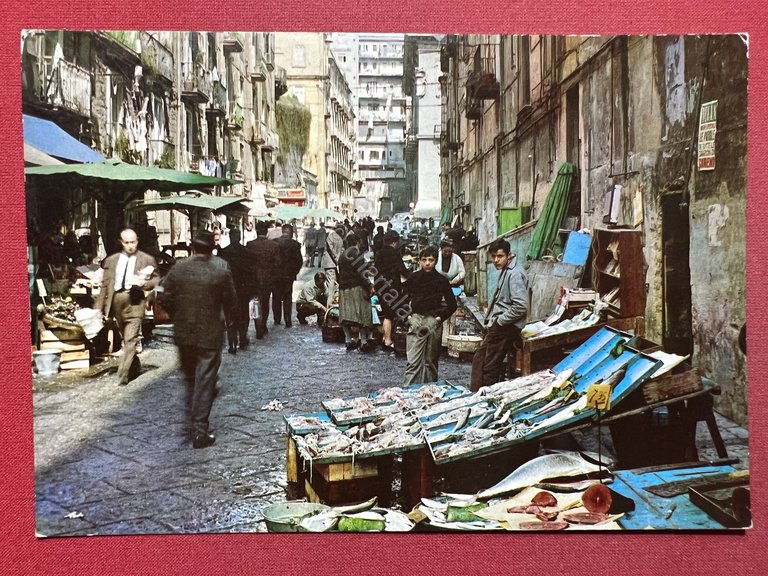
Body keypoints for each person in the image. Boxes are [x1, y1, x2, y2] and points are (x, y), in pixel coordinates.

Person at [158, 230, 236, 449]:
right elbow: (231, 301)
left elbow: (163, 296)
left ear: (193, 247)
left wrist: (177, 314)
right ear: (213, 249)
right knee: (205, 381)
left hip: (184, 334)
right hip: (210, 335)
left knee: (191, 379)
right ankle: (199, 430)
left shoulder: (179, 268)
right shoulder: (220, 271)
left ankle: (190, 422)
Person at [94, 228, 159, 386]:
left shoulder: (147, 259)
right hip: (117, 301)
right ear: (121, 242)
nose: (130, 245)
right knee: (125, 337)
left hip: (135, 300)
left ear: (137, 241)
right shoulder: (111, 260)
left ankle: (122, 374)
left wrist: (146, 283)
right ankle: (134, 365)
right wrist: (98, 307)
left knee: (130, 339)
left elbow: (157, 279)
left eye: (133, 242)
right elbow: (105, 285)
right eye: (127, 242)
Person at [470, 238, 529, 392]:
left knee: (489, 364)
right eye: (494, 256)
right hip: (500, 324)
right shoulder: (507, 269)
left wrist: (500, 321)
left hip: (507, 326)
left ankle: (485, 396)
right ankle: (476, 393)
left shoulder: (515, 274)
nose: (496, 260)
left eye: (500, 256)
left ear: (508, 255)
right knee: (480, 359)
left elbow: (521, 306)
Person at [401, 246, 457, 386]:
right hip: (416, 320)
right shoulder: (413, 278)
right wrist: (408, 318)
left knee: (430, 362)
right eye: (424, 260)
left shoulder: (441, 280)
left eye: (431, 260)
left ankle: (430, 392)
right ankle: (408, 392)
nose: (427, 263)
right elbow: (400, 301)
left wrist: (438, 319)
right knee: (413, 362)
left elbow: (452, 305)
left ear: (435, 261)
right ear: (419, 261)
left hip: (433, 322)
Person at [219, 228, 258, 353]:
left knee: (230, 316)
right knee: (243, 314)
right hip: (243, 289)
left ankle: (232, 343)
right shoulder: (247, 252)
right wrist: (254, 289)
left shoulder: (224, 253)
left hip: (228, 289)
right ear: (240, 237)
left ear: (230, 237)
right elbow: (253, 272)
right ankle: (242, 337)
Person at [337, 232, 376, 352]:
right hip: (356, 287)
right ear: (358, 242)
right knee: (362, 313)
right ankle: (363, 341)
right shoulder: (357, 253)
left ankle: (348, 340)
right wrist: (370, 285)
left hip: (344, 287)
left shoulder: (342, 255)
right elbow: (361, 273)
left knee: (346, 314)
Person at [374, 230, 410, 353]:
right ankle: (388, 341)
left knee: (386, 312)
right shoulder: (395, 253)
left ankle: (385, 338)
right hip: (390, 287)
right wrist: (413, 276)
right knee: (389, 315)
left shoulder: (379, 253)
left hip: (380, 286)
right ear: (394, 242)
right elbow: (402, 269)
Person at [245, 221, 279, 339]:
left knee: (255, 302)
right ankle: (263, 324)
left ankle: (258, 327)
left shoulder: (250, 245)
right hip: (268, 278)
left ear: (256, 231)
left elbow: (247, 263)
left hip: (253, 278)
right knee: (265, 302)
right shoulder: (273, 246)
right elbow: (277, 263)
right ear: (266, 231)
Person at [272, 223, 303, 327]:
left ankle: (277, 319)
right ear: (291, 232)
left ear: (282, 231)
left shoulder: (274, 242)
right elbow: (299, 261)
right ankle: (287, 319)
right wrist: (294, 272)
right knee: (287, 298)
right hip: (288, 276)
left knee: (276, 297)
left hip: (276, 275)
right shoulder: (295, 244)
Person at [322, 224, 345, 308]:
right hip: (334, 264)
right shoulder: (340, 239)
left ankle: (328, 304)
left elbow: (332, 251)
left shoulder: (330, 237)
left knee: (330, 285)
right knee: (334, 284)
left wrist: (336, 259)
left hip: (330, 264)